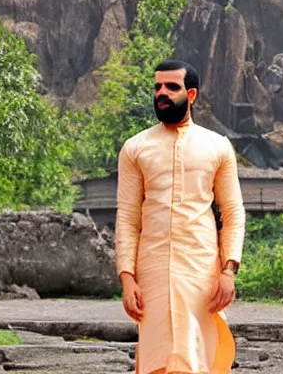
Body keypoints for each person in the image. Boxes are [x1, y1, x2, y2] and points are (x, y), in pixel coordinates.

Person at [115, 59, 246, 374]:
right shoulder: (135, 148)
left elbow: (233, 213)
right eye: (158, 86)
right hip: (152, 272)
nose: (162, 93)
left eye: (171, 87)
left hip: (201, 270)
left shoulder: (218, 147)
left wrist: (228, 271)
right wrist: (127, 277)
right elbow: (128, 219)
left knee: (197, 356)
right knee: (158, 356)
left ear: (191, 95)